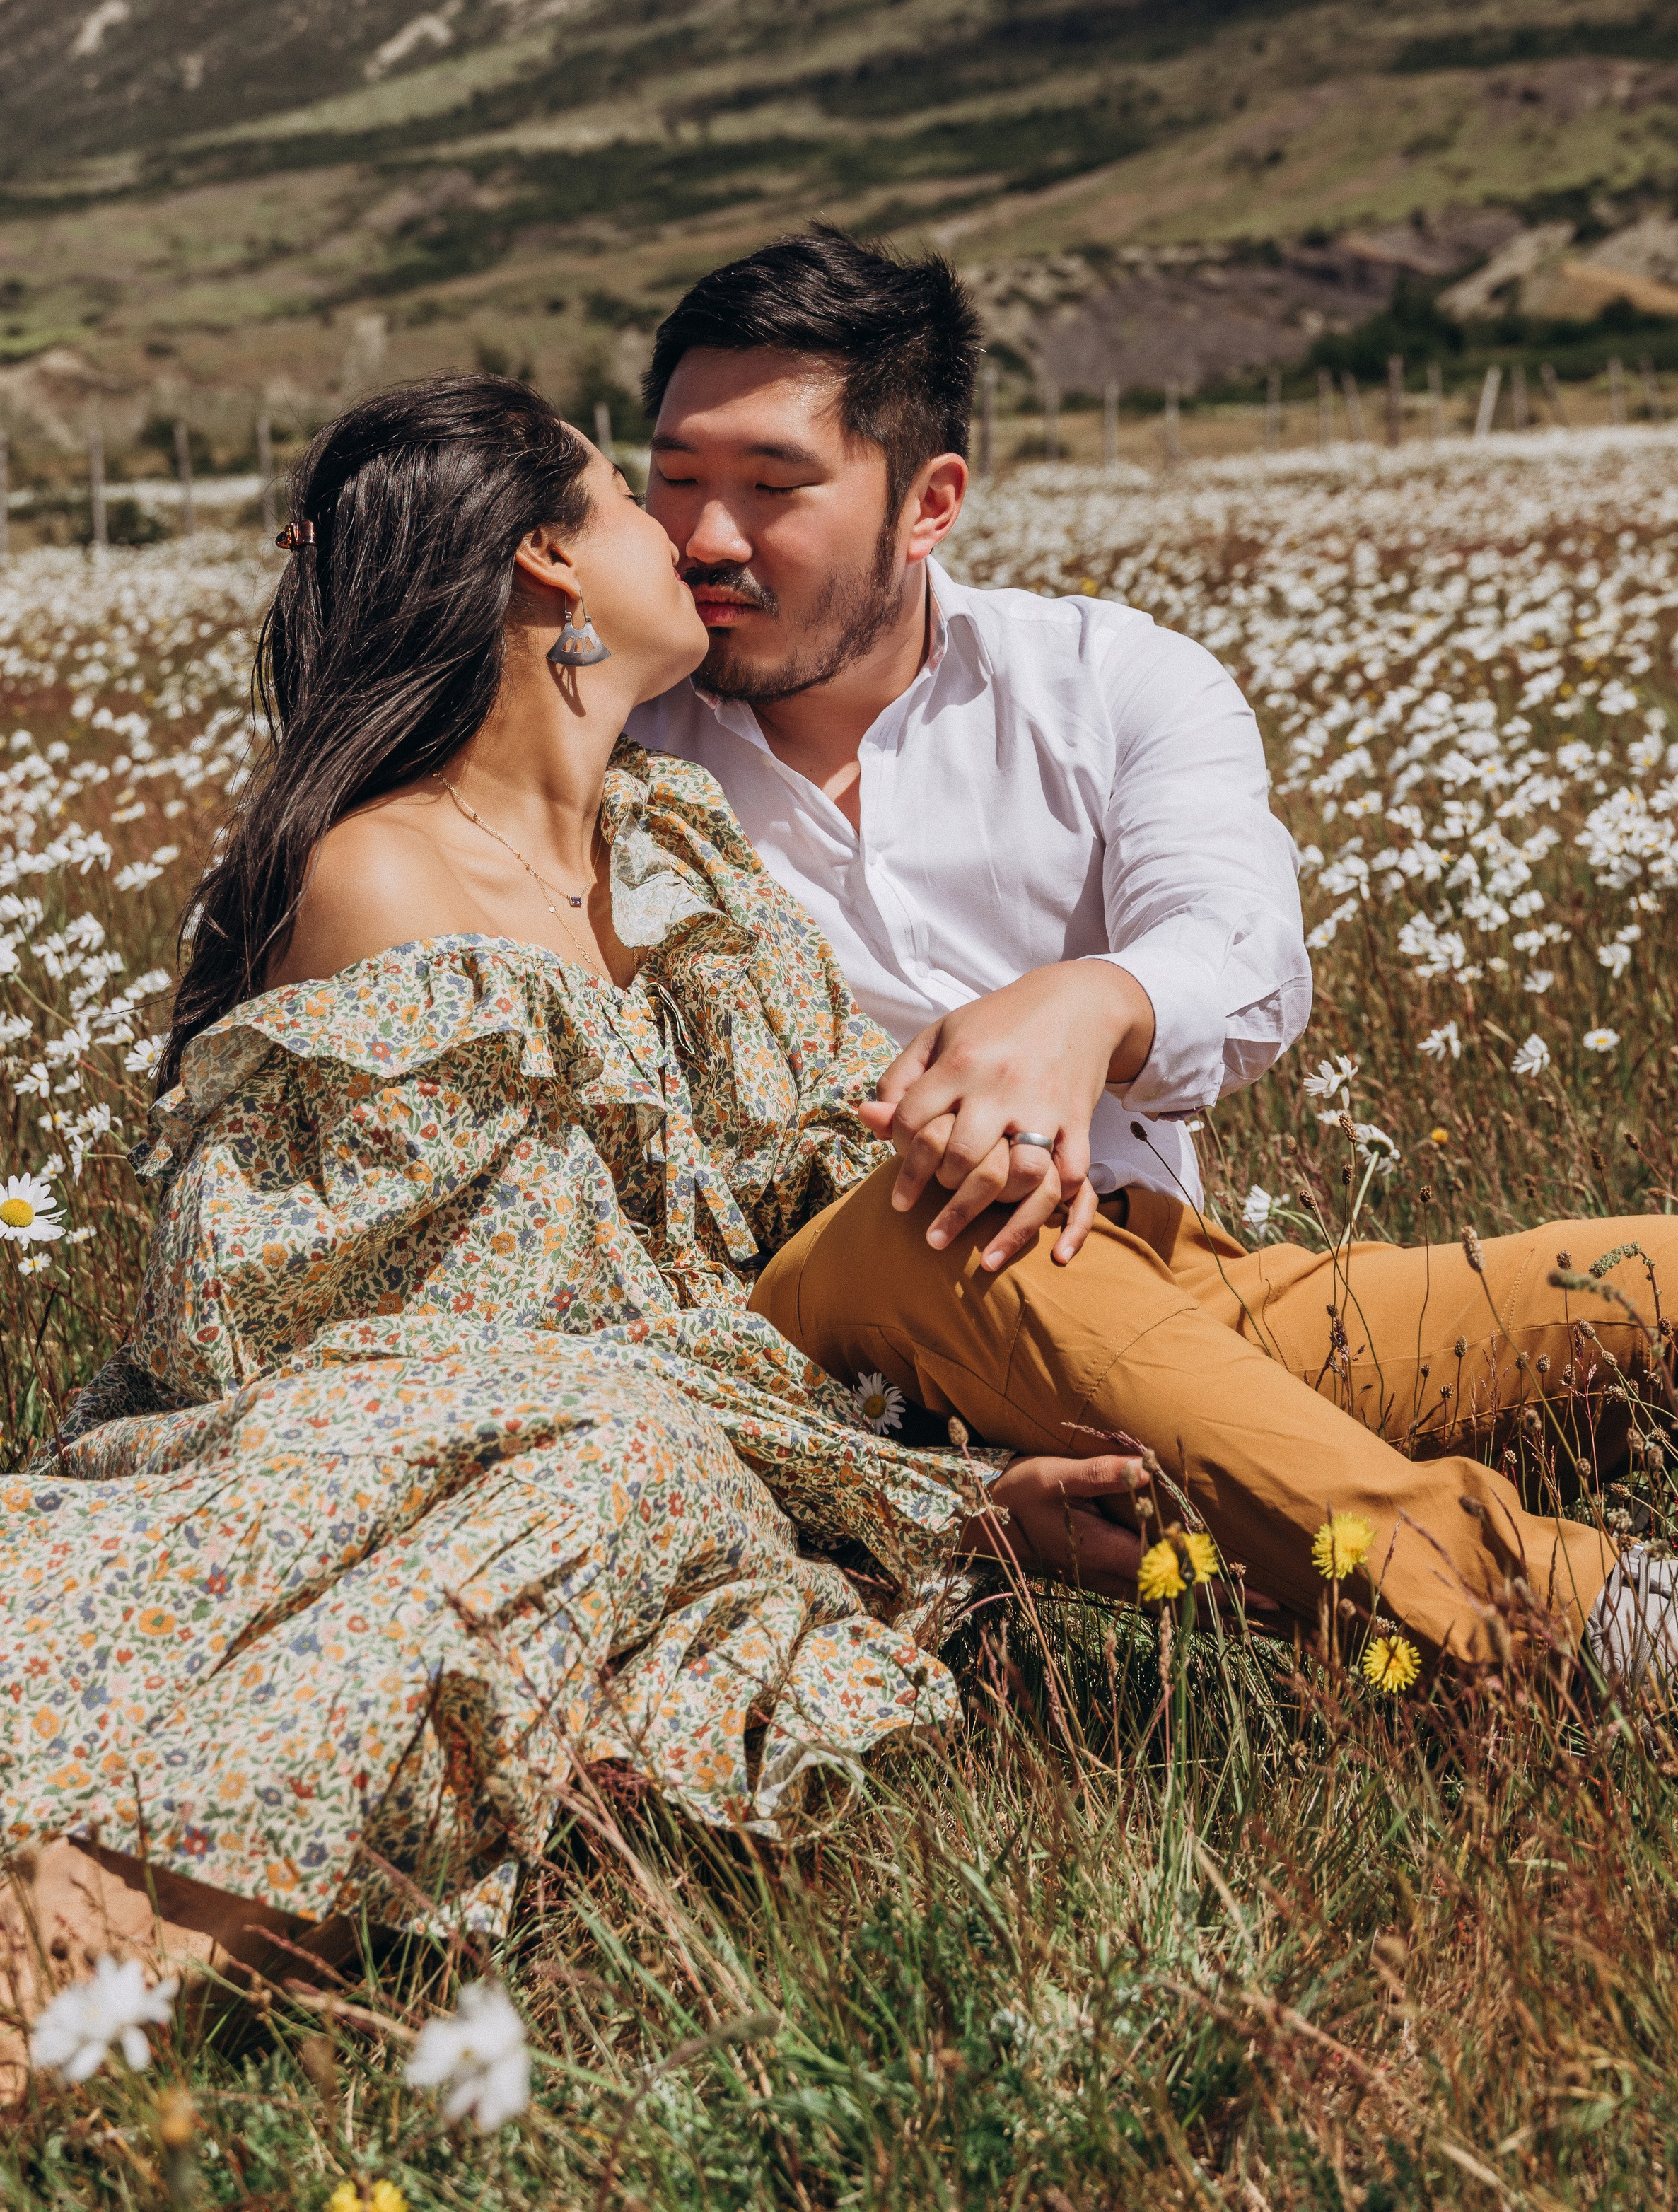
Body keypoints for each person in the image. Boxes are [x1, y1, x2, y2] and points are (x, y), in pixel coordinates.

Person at [0, 374, 1061, 2084]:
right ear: (549, 570)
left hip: (652, 1447)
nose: (687, 538)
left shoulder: (674, 853)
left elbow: (786, 1205)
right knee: (593, 1500)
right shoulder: (384, 886)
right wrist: (929, 1494)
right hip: (375, 1457)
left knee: (617, 1505)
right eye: (637, 502)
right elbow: (447, 1356)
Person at [629, 227, 1677, 1672]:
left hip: (1167, 1286)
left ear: (927, 503)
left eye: (769, 487)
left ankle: (1265, 1468)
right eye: (673, 479)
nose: (704, 541)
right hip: (828, 1317)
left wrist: (1091, 1003)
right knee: (950, 1218)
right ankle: (1571, 1620)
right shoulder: (603, 743)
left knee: (1646, 1285)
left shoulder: (1108, 681)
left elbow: (1237, 943)